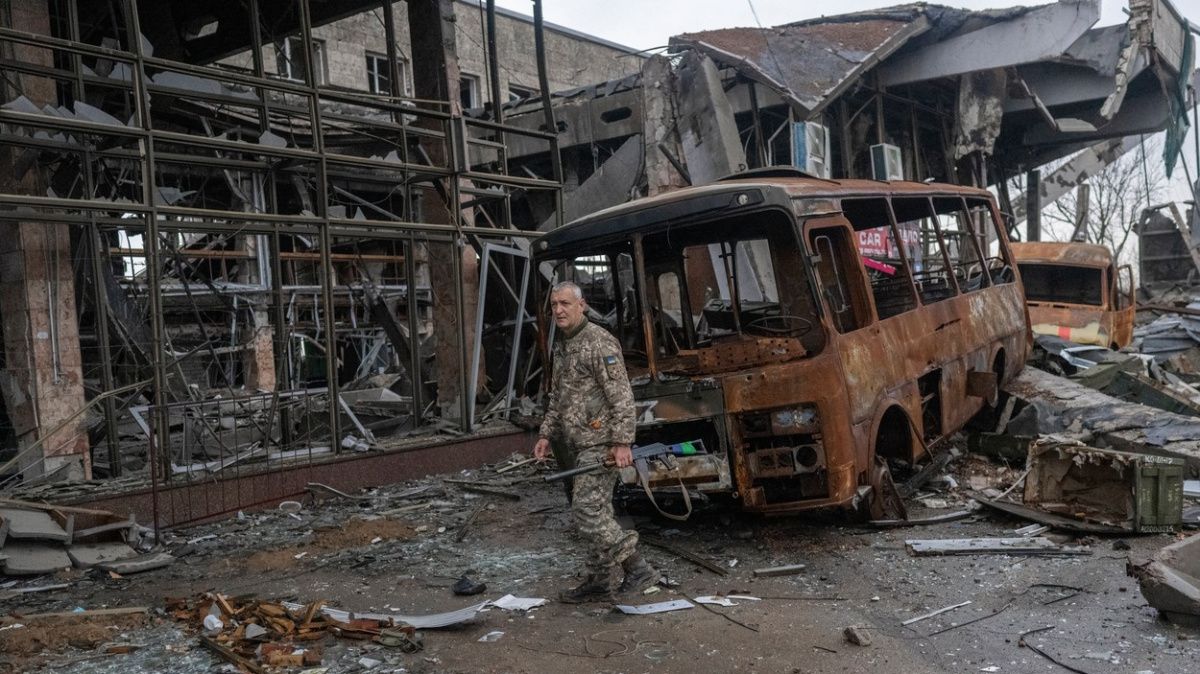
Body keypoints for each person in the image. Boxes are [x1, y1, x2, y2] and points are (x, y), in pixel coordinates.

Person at [534, 281, 660, 603]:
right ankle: (599, 580)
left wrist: (622, 443)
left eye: (564, 303)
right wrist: (546, 433)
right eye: (554, 305)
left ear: (582, 305)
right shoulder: (563, 344)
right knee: (597, 511)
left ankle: (637, 567)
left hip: (601, 443)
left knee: (586, 511)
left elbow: (622, 397)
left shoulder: (599, 342)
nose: (558, 310)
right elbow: (558, 396)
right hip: (577, 443)